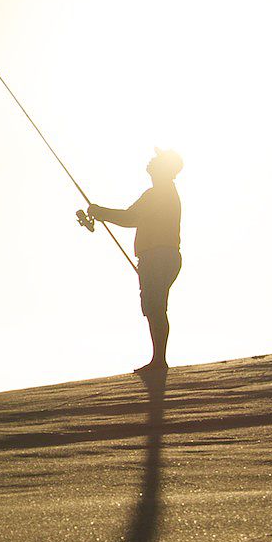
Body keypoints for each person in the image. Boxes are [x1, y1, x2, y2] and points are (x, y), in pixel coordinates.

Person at [85, 149, 184, 377]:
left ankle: (159, 360)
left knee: (155, 306)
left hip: (158, 257)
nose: (151, 160)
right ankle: (158, 358)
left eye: (157, 160)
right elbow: (131, 216)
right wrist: (101, 213)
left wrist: (100, 212)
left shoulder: (159, 193)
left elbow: (130, 218)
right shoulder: (162, 192)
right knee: (154, 306)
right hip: (161, 256)